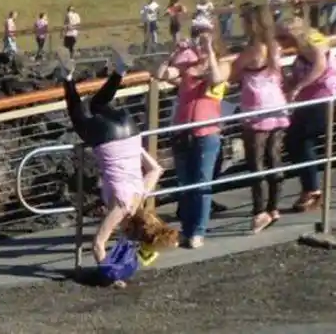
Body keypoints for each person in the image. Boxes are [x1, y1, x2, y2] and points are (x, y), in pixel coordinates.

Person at [58, 46, 178, 284]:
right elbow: (98, 244)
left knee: (96, 104)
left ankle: (121, 70)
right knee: (77, 115)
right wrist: (111, 275)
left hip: (131, 134)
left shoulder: (141, 194)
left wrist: (133, 150)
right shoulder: (121, 209)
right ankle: (67, 75)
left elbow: (156, 169)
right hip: (110, 139)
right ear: (131, 229)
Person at [156, 24, 231, 249]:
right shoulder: (188, 65)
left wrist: (209, 51)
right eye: (197, 37)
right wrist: (172, 54)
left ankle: (198, 231)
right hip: (182, 130)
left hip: (207, 132)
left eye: (204, 37)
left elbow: (216, 79)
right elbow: (160, 74)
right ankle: (187, 229)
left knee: (202, 182)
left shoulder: (223, 64)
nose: (199, 41)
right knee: (185, 184)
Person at [231, 4, 289, 233]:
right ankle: (274, 206)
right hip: (276, 102)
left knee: (256, 161)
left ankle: (259, 211)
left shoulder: (253, 50)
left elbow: (234, 72)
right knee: (274, 156)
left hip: (257, 107)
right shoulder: (274, 47)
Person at [277, 19, 336, 213]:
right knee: (295, 141)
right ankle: (310, 187)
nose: (280, 43)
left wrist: (298, 87)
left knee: (300, 140)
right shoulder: (302, 49)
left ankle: (312, 189)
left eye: (282, 38)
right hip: (308, 100)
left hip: (323, 98)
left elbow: (320, 66)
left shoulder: (314, 43)